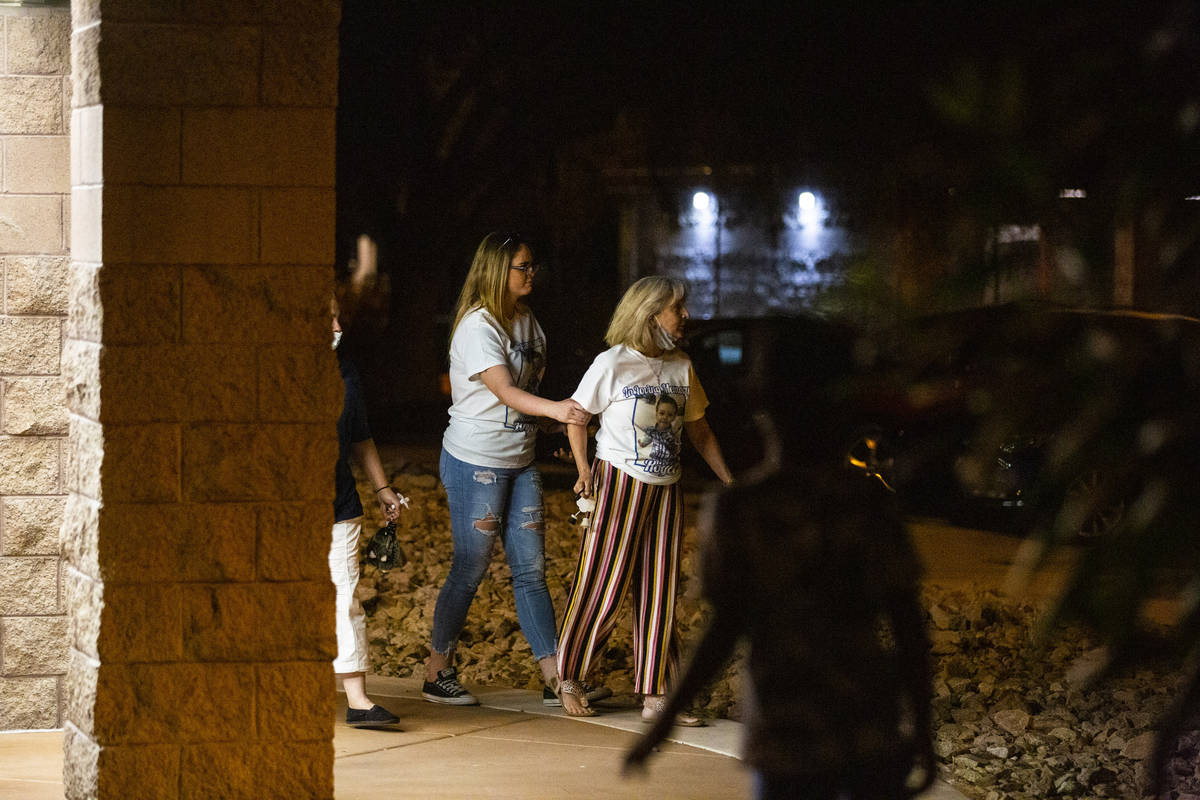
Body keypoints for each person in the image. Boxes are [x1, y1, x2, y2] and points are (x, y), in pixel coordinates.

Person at [624, 412, 936, 799]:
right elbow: (908, 628)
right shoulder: (867, 502)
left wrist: (662, 725)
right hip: (864, 722)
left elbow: (722, 632)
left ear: (763, 416)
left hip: (783, 726)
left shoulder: (738, 507)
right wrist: (923, 731)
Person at [422, 231, 592, 706]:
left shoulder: (528, 322)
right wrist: (557, 410)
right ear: (499, 271)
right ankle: (438, 670)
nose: (531, 273)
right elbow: (505, 391)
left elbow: (523, 401)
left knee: (532, 569)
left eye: (532, 265)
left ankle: (556, 677)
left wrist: (552, 428)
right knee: (471, 565)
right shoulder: (479, 326)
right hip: (475, 461)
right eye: (523, 266)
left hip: (519, 460)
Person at [556, 276, 733, 722]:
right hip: (618, 482)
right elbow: (576, 417)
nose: (685, 316)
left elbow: (700, 430)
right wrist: (582, 470)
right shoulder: (612, 363)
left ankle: (656, 691)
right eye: (678, 308)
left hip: (666, 489)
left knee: (660, 589)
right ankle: (570, 676)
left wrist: (732, 481)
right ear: (651, 313)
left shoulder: (681, 366)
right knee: (604, 585)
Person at [331, 296, 404, 727]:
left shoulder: (344, 369)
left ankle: (357, 699)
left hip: (339, 505)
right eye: (327, 317)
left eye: (337, 315)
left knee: (344, 598)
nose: (338, 325)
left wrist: (382, 488)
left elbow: (359, 434)